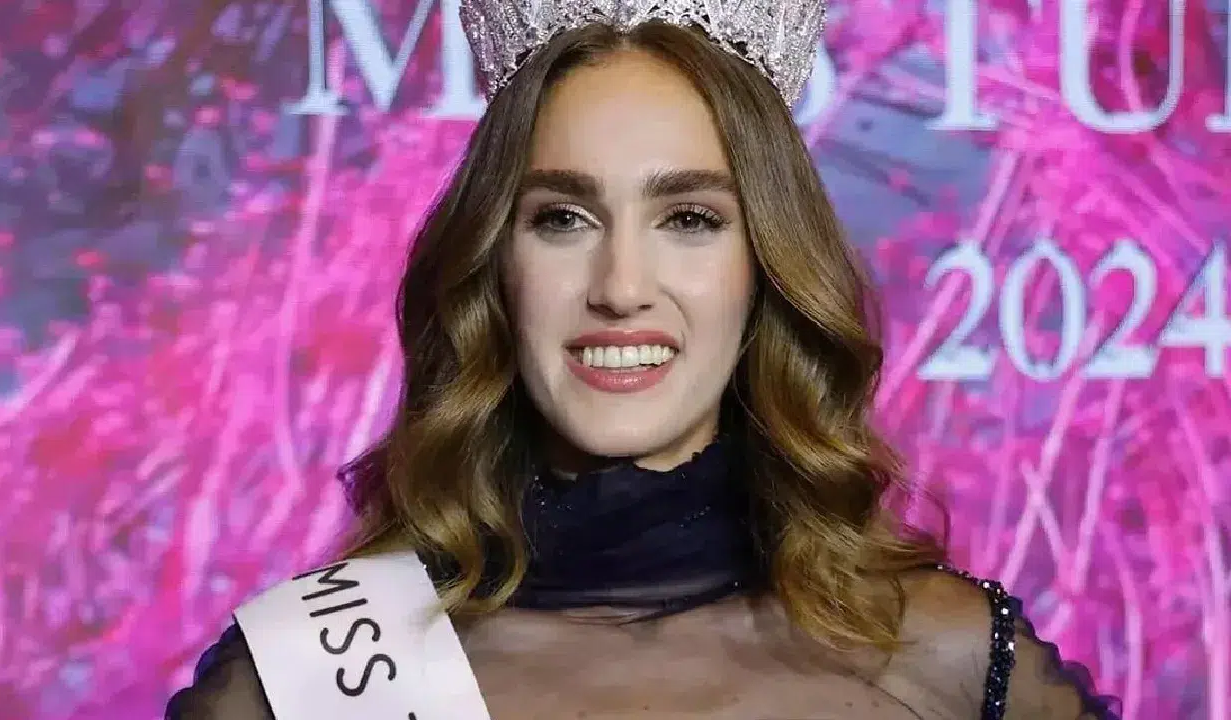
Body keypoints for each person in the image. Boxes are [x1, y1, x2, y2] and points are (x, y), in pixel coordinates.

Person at [165, 0, 1123, 717]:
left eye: (690, 219)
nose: (621, 285)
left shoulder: (946, 662)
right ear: (495, 264)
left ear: (766, 269)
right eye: (563, 219)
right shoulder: (311, 677)